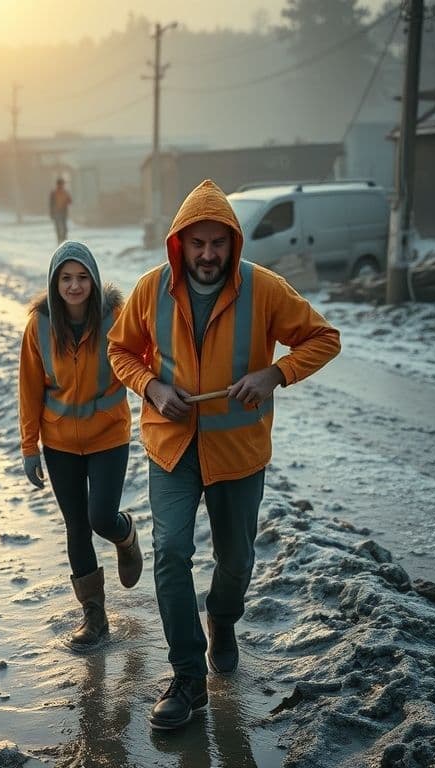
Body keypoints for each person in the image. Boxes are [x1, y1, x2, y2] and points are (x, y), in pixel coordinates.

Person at [107, 179, 341, 730]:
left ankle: (222, 618)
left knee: (236, 561)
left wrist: (274, 374)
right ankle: (188, 678)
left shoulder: (264, 289)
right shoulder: (151, 289)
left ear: (233, 243)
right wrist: (151, 387)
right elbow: (120, 350)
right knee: (171, 553)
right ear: (180, 244)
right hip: (172, 448)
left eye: (218, 243)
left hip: (238, 451)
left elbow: (324, 338)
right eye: (198, 244)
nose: (208, 255)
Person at [18, 240, 142, 650]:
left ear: (95, 280)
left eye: (82, 277)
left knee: (101, 518)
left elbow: (142, 361)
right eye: (66, 278)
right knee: (77, 526)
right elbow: (29, 388)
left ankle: (125, 536)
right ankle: (94, 616)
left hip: (108, 435)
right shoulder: (39, 325)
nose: (74, 286)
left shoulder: (115, 318)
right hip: (59, 443)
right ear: (55, 283)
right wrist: (29, 446)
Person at [49, 177, 72, 244]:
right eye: (61, 184)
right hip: (56, 212)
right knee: (58, 227)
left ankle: (64, 239)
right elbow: (51, 203)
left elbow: (70, 201)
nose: (61, 185)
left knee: (64, 227)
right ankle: (59, 240)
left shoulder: (65, 192)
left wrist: (66, 200)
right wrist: (51, 213)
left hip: (63, 212)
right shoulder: (54, 193)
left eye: (62, 184)